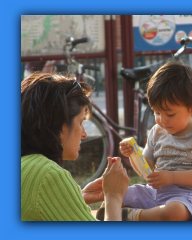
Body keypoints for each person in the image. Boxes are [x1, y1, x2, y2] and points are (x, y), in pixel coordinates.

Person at [118, 59, 192, 221]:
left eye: (170, 114)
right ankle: (137, 215)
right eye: (157, 113)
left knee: (174, 211)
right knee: (118, 194)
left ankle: (134, 217)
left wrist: (172, 177)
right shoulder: (157, 132)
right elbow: (146, 171)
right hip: (157, 193)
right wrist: (133, 155)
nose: (162, 120)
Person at [21, 72, 129, 221]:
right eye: (80, 122)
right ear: (60, 128)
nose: (84, 134)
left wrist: (78, 198)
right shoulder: (48, 175)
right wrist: (114, 196)